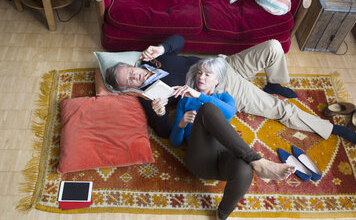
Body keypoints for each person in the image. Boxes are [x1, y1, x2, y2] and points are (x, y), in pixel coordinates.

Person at [105, 35, 356, 143]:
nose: (134, 75)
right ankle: (334, 129)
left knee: (273, 47)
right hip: (220, 84)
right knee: (281, 109)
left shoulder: (153, 59)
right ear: (126, 88)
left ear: (132, 64)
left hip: (223, 62)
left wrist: (161, 47)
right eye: (128, 80)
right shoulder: (149, 97)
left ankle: (274, 82)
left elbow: (179, 40)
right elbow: (163, 131)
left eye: (129, 70)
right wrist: (160, 113)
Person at [169, 57, 295, 220]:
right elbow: (175, 142)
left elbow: (229, 112)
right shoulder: (186, 100)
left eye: (208, 74)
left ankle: (221, 215)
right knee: (207, 109)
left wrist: (199, 95)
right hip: (199, 159)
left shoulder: (226, 99)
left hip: (224, 159)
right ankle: (258, 161)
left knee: (245, 170)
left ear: (218, 79)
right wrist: (181, 124)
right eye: (200, 73)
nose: (201, 77)